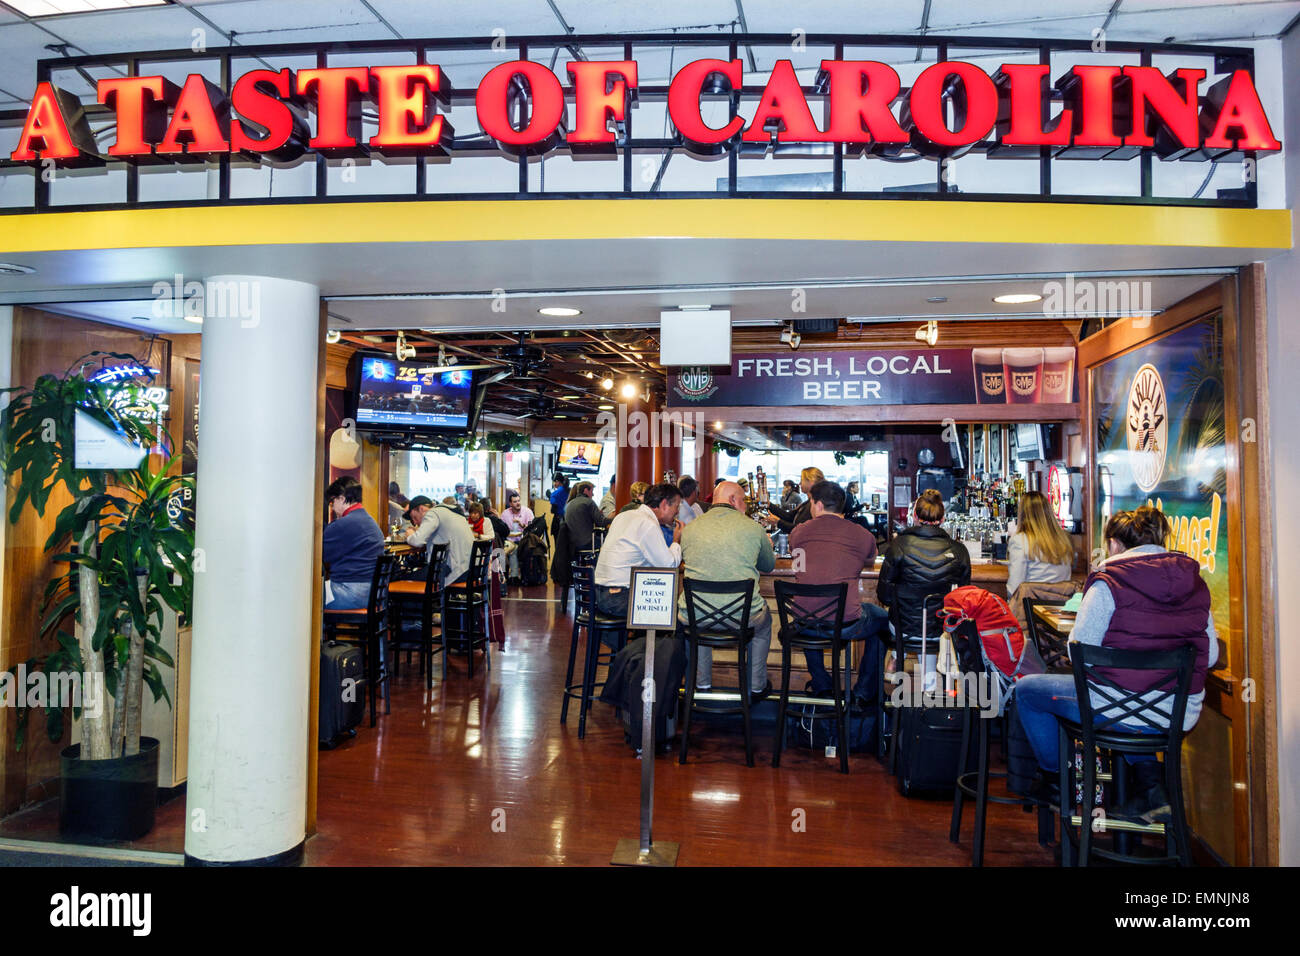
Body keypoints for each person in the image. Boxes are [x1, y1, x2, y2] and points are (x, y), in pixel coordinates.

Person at [1013, 506, 1218, 822]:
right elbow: (1212, 655)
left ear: (1115, 544)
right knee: (1133, 703)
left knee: (1027, 691)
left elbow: (1079, 650)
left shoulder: (1109, 581)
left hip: (1115, 709)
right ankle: (1151, 785)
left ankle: (1056, 781)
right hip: (1176, 713)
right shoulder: (1193, 582)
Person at [788, 480, 888, 708]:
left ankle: (823, 685)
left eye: (810, 502)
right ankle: (863, 692)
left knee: (809, 611)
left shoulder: (799, 532)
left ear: (819, 504)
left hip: (805, 622)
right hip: (845, 623)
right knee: (883, 620)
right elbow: (870, 561)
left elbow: (798, 555)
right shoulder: (861, 535)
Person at [679, 479, 775, 698]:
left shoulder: (690, 528)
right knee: (764, 621)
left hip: (695, 616)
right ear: (733, 500)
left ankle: (702, 686)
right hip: (741, 616)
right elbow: (768, 566)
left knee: (698, 621)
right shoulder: (753, 528)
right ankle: (756, 686)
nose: (745, 507)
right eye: (743, 502)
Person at [877, 488, 971, 689]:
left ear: (914, 516)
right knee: (931, 627)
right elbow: (964, 598)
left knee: (910, 622)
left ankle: (897, 657)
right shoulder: (959, 550)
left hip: (904, 629)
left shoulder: (898, 545)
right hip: (941, 629)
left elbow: (884, 596)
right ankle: (928, 698)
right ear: (943, 518)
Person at [593, 483, 683, 617]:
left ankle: (637, 637)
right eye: (677, 506)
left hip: (600, 592)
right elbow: (669, 566)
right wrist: (676, 540)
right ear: (664, 504)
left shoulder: (623, 516)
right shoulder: (647, 523)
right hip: (619, 598)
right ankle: (651, 638)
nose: (677, 512)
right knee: (678, 609)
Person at [1006, 490, 1076, 626]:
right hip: (1058, 615)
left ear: (1022, 514)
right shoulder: (1065, 539)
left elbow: (1014, 589)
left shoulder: (1020, 541)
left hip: (1029, 617)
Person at [322, 476, 385, 610]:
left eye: (332, 502)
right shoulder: (370, 521)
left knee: (306, 595)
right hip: (373, 593)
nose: (332, 508)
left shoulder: (342, 524)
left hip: (348, 593)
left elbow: (320, 555)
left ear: (342, 499)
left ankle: (316, 631)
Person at [406, 494, 476, 585]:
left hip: (455, 571)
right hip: (472, 569)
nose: (415, 522)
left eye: (414, 518)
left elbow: (417, 541)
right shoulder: (450, 512)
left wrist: (410, 535)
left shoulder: (432, 513)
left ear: (421, 509)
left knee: (405, 579)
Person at [765, 466, 822, 534]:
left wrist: (778, 522)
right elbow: (789, 516)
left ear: (811, 481)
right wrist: (769, 504)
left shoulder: (814, 505)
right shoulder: (808, 503)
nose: (799, 483)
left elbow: (800, 530)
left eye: (802, 480)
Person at [563, 479, 608, 552]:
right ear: (586, 490)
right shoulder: (588, 502)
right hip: (587, 543)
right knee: (609, 543)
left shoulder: (569, 504)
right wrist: (615, 518)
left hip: (572, 545)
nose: (592, 494)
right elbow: (601, 522)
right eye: (592, 491)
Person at [501, 490, 535, 581]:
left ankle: (514, 576)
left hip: (523, 540)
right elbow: (502, 529)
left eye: (519, 501)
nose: (518, 503)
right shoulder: (505, 514)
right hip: (509, 540)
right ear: (510, 504)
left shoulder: (527, 512)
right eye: (515, 502)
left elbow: (532, 529)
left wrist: (521, 525)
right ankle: (503, 578)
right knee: (500, 550)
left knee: (514, 549)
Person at [549, 473, 570, 537]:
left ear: (557, 481)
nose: (554, 484)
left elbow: (553, 510)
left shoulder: (555, 494)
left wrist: (549, 495)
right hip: (569, 520)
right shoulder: (569, 491)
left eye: (554, 482)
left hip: (558, 521)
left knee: (558, 544)